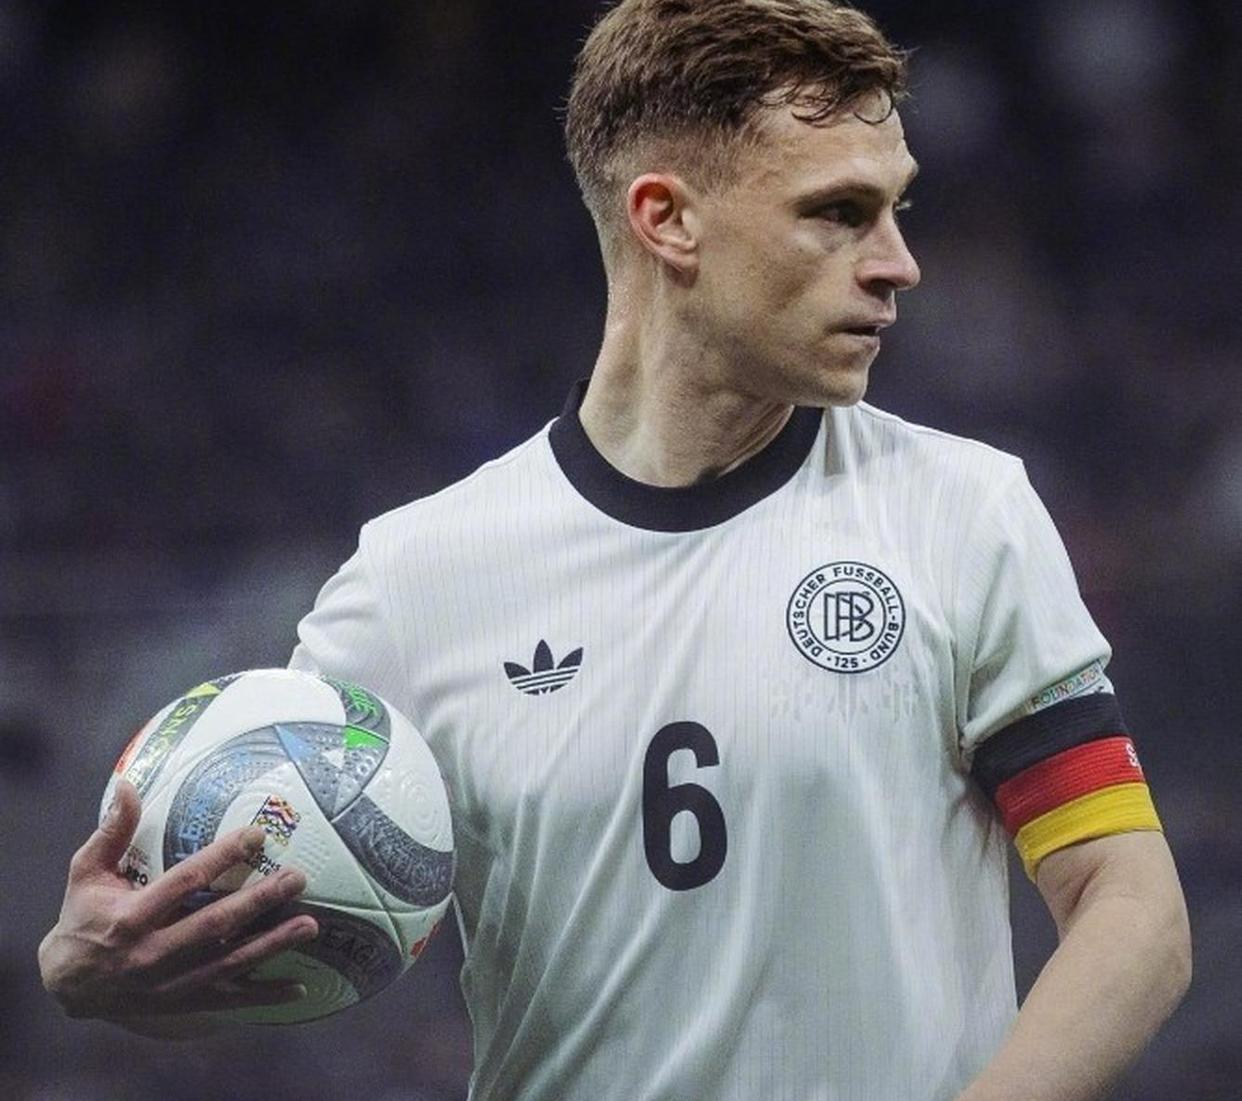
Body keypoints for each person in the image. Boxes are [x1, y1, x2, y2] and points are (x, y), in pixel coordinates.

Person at [39, 1, 1190, 1098]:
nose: (898, 261)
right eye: (839, 213)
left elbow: (1131, 908)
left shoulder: (964, 514)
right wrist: (88, 971)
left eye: (895, 209)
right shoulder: (417, 581)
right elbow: (252, 936)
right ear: (667, 219)